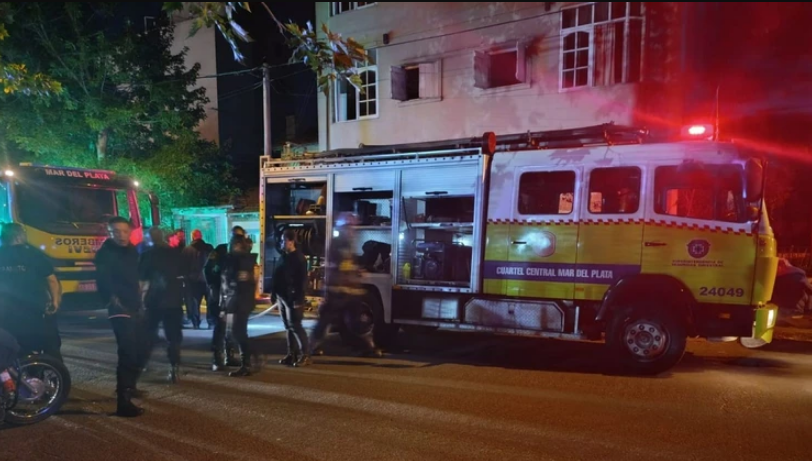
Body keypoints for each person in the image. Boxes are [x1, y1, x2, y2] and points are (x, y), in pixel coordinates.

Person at [309, 213, 381, 357]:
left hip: (350, 292)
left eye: (353, 228)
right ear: (342, 228)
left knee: (359, 321)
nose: (352, 231)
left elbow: (349, 266)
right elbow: (336, 267)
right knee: (325, 321)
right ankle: (309, 348)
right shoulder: (336, 244)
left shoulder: (348, 244)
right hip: (336, 291)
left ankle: (369, 348)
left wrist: (358, 274)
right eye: (349, 227)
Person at [94, 216, 146, 418]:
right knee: (127, 351)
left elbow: (136, 277)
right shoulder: (106, 254)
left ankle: (129, 386)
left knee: (138, 348)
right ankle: (123, 403)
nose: (122, 235)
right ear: (110, 232)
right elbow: (103, 281)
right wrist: (113, 301)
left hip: (135, 305)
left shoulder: (131, 250)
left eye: (125, 231)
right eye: (117, 231)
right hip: (119, 307)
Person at [0, 223, 63, 361]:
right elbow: (51, 280)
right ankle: (38, 373)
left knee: (10, 343)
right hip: (33, 307)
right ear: (20, 236)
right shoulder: (34, 254)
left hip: (6, 310)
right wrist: (55, 301)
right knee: (40, 342)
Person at [139, 227, 185, 383]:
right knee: (173, 337)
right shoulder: (176, 254)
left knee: (149, 334)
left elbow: (142, 281)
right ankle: (174, 368)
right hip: (174, 301)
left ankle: (143, 364)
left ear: (150, 238)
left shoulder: (147, 256)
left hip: (154, 301)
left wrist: (140, 300)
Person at [205, 226, 246, 371]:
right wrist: (213, 288)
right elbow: (208, 271)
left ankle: (230, 356)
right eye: (235, 237)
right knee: (220, 328)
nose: (237, 240)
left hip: (232, 299)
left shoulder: (239, 256)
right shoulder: (220, 252)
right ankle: (217, 358)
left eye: (240, 237)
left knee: (231, 329)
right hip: (218, 297)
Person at [222, 234, 257, 377]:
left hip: (240, 302)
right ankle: (247, 362)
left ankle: (247, 363)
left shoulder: (242, 261)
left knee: (239, 332)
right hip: (239, 302)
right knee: (237, 332)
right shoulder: (238, 260)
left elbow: (241, 284)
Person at [274, 229, 310, 367]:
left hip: (292, 298)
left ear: (291, 241)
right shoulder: (284, 256)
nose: (282, 243)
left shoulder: (299, 258)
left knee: (295, 325)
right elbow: (278, 275)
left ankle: (305, 355)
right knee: (288, 326)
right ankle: (291, 354)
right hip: (282, 297)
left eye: (284, 240)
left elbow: (302, 281)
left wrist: (298, 299)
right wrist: (274, 293)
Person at [182, 229, 213, 330]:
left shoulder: (187, 250)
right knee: (210, 302)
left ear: (192, 237)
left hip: (193, 280)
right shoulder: (209, 248)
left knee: (195, 302)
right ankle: (210, 322)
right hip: (208, 279)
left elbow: (184, 266)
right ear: (201, 236)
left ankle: (196, 322)